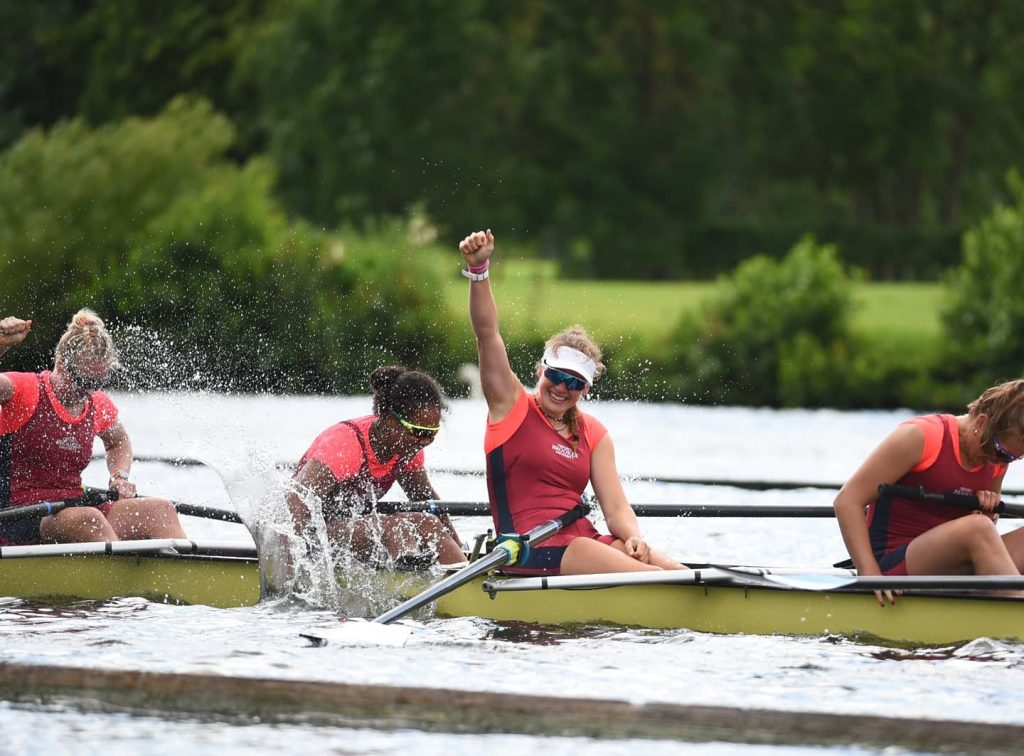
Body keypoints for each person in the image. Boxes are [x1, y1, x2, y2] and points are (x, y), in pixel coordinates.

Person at [458, 228, 684, 575]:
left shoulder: (594, 433)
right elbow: (487, 335)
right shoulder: (511, 407)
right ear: (540, 371)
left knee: (645, 556)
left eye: (574, 383)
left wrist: (634, 537)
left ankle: (711, 598)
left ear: (586, 390)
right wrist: (479, 271)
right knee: (638, 569)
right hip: (525, 551)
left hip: (584, 545)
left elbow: (616, 508)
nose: (562, 388)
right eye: (557, 376)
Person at [0, 310, 186, 545]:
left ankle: (195, 577)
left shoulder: (97, 404)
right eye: (83, 381)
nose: (88, 391)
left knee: (161, 511)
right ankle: (123, 578)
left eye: (97, 383)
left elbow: (118, 441)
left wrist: (119, 477)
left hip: (74, 507)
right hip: (17, 516)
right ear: (60, 362)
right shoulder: (25, 390)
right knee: (91, 520)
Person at [834, 379, 1024, 605]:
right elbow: (847, 501)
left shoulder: (997, 459)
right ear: (981, 422)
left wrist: (987, 514)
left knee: (983, 526)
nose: (1002, 461)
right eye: (1001, 451)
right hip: (893, 564)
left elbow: (982, 532)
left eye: (1013, 457)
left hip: (948, 564)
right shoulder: (922, 437)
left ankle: (999, 605)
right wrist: (869, 574)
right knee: (978, 528)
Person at [287, 365, 465, 566]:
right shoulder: (344, 445)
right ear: (389, 419)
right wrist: (297, 562)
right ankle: (407, 581)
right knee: (395, 528)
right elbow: (295, 500)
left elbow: (425, 499)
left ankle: (464, 573)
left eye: (432, 433)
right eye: (419, 431)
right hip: (315, 531)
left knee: (430, 523)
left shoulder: (408, 447)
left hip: (358, 525)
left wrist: (459, 544)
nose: (424, 441)